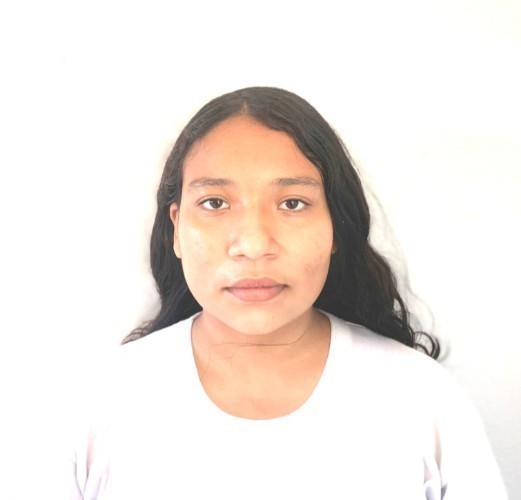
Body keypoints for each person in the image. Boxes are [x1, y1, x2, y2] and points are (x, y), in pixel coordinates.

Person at [70, 87, 507, 499]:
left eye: (292, 203)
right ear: (177, 229)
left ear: (336, 227)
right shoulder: (98, 402)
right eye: (215, 203)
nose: (254, 244)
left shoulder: (423, 399)